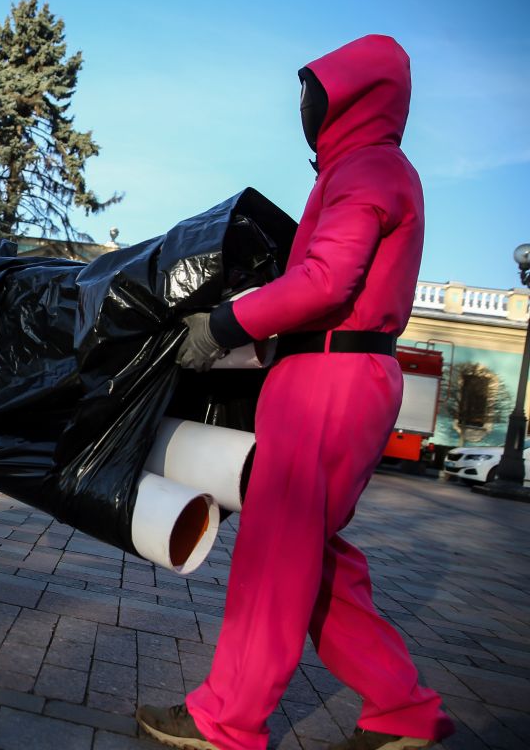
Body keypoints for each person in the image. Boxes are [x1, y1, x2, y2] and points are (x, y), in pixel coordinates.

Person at [137, 36, 454, 750]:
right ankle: (404, 711)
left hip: (328, 382)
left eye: (313, 95)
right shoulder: (370, 169)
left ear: (349, 98)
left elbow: (326, 283)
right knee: (312, 558)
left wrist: (223, 323)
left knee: (277, 555)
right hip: (337, 376)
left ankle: (227, 717)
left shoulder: (368, 169)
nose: (305, 110)